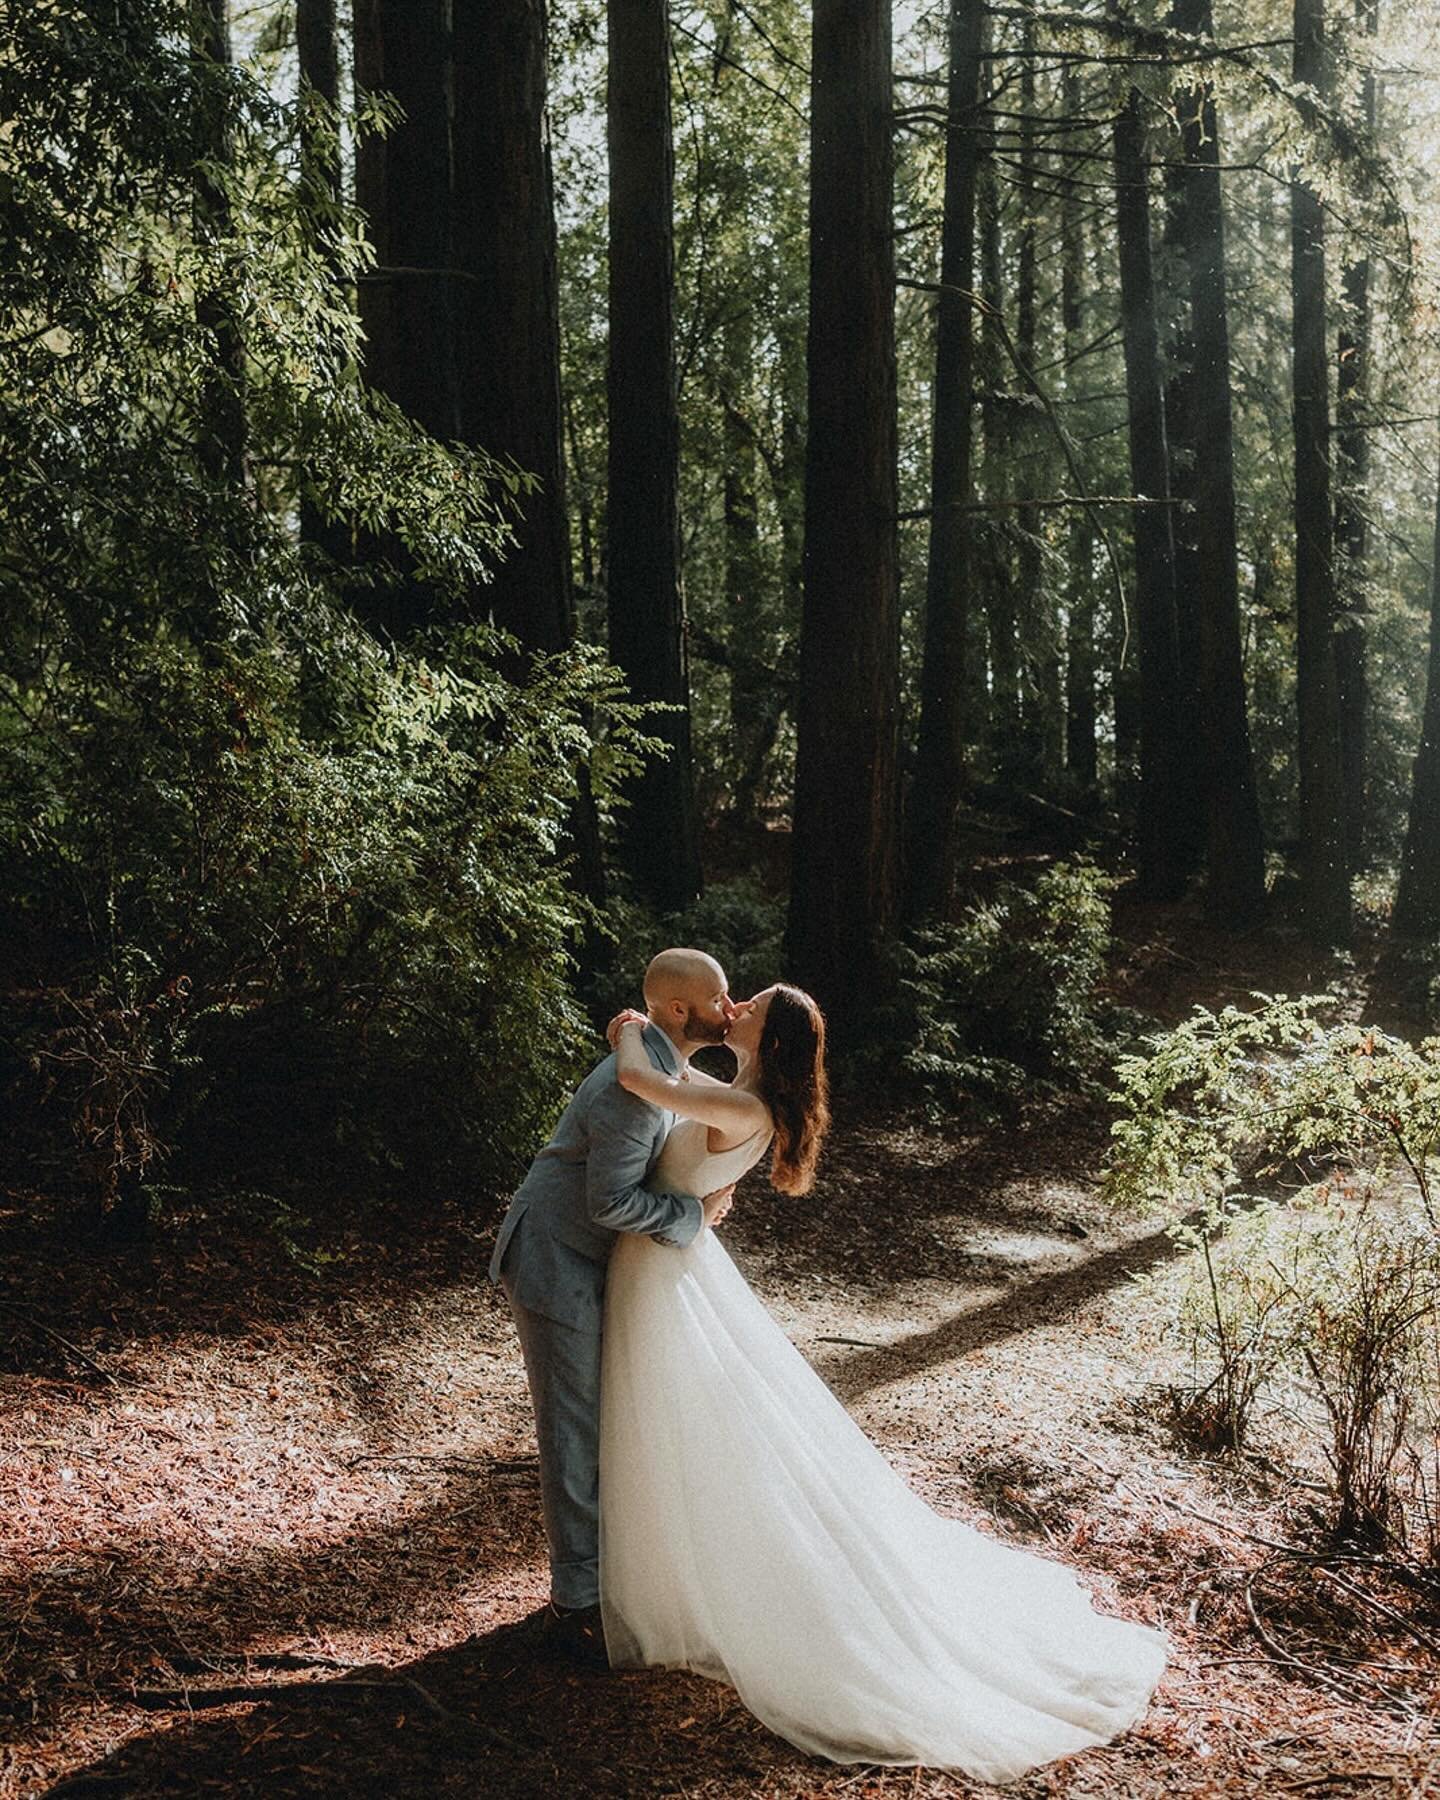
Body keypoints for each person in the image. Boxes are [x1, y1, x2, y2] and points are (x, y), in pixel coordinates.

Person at [598, 984, 1167, 1785]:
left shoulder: (745, 1107)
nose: (739, 1002)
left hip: (662, 1271)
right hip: (665, 1264)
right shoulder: (740, 1099)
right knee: (676, 1420)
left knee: (681, 1419)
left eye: (751, 1000)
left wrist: (629, 1028)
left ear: (772, 1031)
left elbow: (641, 1084)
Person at [487, 947, 740, 1668]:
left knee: (606, 1419)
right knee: (574, 1425)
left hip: (597, 1261)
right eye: (720, 998)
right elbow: (611, 1201)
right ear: (680, 1010)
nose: (730, 1008)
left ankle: (608, 1579)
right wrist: (692, 1216)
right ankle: (576, 1605)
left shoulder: (658, 1064)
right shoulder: (634, 1089)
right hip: (554, 1260)